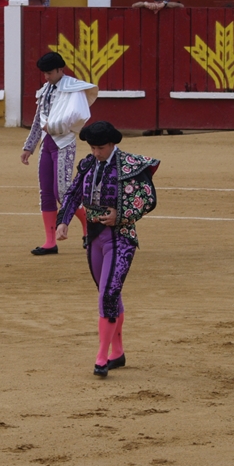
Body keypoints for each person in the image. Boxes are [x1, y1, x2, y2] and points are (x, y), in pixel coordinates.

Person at [57, 121, 158, 377]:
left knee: (108, 296)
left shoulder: (130, 165)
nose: (96, 152)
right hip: (94, 238)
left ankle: (101, 357)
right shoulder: (89, 164)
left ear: (112, 144)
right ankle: (118, 352)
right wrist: (63, 221)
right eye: (92, 147)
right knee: (108, 293)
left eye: (100, 148)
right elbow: (73, 193)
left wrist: (121, 214)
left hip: (120, 237)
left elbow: (148, 198)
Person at [21, 51, 97, 255]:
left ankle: (89, 227)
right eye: (44, 74)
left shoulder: (73, 88)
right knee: (46, 192)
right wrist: (29, 146)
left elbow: (79, 117)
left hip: (64, 144)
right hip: (47, 145)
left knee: (62, 192)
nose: (46, 77)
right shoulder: (46, 90)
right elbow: (39, 119)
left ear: (59, 70)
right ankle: (49, 242)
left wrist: (53, 127)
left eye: (48, 73)